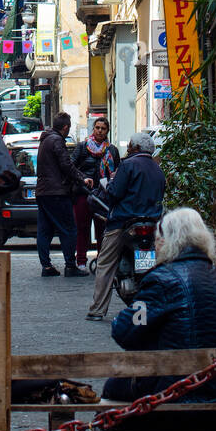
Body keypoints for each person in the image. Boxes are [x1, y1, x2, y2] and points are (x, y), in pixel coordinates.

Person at [101, 208, 216, 431]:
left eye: (158, 238)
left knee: (114, 387)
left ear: (167, 241)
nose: (155, 244)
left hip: (174, 413)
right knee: (175, 377)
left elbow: (124, 330)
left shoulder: (162, 281)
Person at [86, 130, 166, 319]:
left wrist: (110, 182)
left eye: (130, 145)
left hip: (124, 221)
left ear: (136, 148)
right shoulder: (158, 169)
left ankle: (97, 309)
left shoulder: (128, 165)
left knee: (105, 263)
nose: (128, 148)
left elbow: (114, 193)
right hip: (152, 222)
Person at [34, 112, 89, 277]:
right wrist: (82, 178)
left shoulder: (45, 140)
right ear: (65, 127)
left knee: (45, 229)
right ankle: (70, 266)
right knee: (69, 229)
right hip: (56, 192)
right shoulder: (57, 140)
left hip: (43, 191)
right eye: (68, 128)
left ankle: (46, 266)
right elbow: (66, 165)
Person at [71, 117, 120, 269]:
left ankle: (102, 261)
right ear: (93, 129)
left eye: (103, 128)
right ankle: (81, 261)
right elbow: (71, 168)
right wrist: (83, 178)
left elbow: (118, 172)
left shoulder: (112, 150)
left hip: (103, 196)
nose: (99, 130)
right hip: (83, 194)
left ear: (107, 131)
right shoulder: (82, 147)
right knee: (82, 228)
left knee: (102, 230)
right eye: (97, 127)